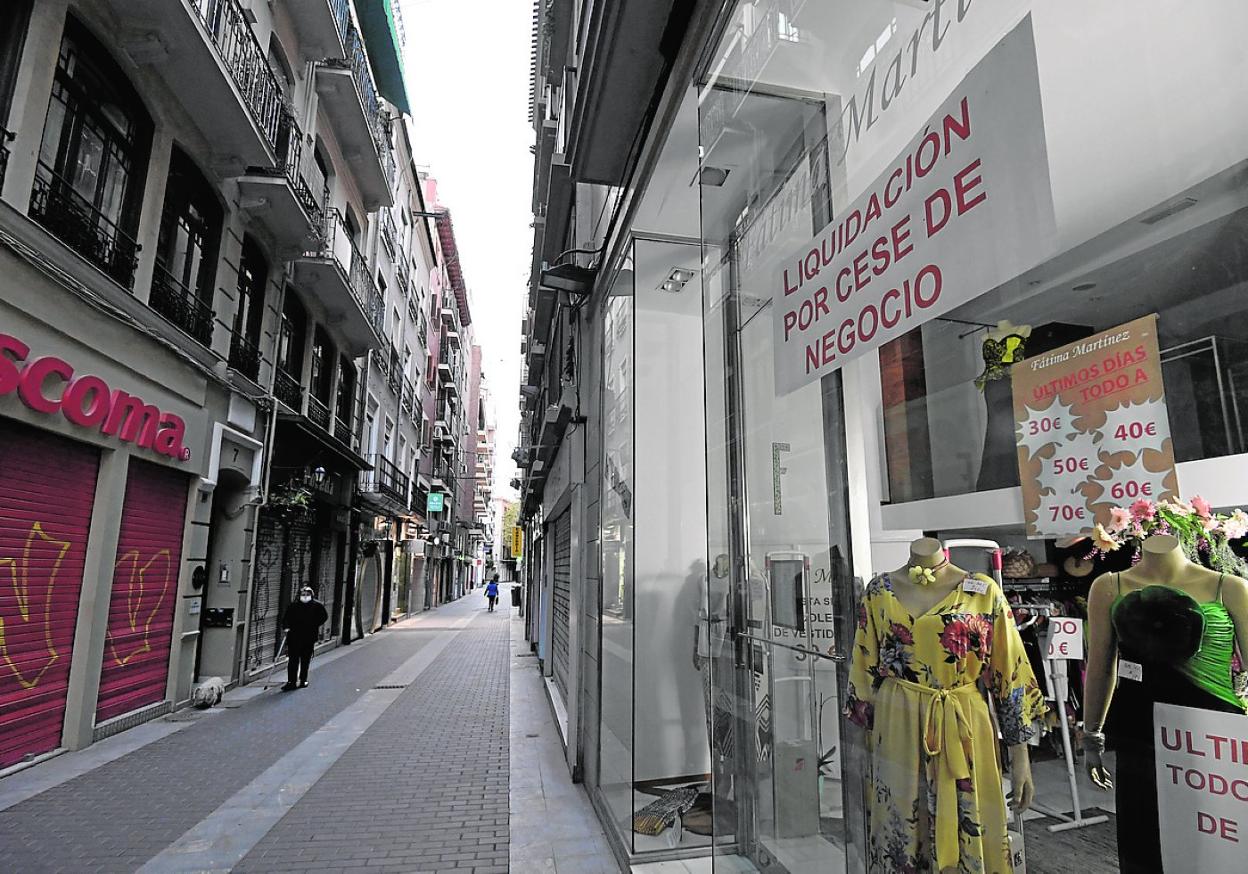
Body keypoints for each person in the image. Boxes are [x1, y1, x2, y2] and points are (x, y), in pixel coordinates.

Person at [281, 585, 329, 690]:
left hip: (309, 637)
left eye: (307, 594)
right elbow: (286, 618)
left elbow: (324, 617)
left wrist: (314, 624)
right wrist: (286, 627)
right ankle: (291, 681)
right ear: (299, 596)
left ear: (311, 595)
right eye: (303, 594)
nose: (305, 596)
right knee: (293, 660)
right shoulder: (293, 606)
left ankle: (303, 680)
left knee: (305, 660)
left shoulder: (317, 606)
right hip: (294, 637)